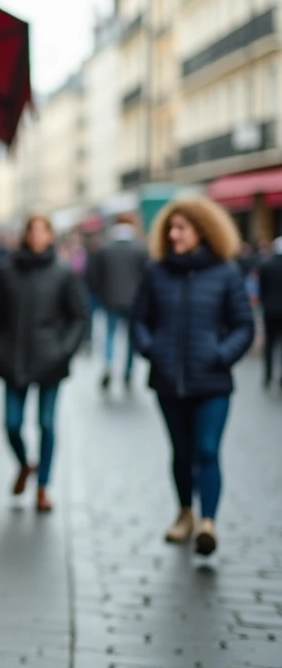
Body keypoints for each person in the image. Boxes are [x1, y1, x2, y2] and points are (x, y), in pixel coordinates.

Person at [132, 197, 254, 556]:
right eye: (170, 227)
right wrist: (151, 349)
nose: (173, 234)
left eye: (181, 227)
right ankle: (184, 512)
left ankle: (208, 523)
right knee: (181, 453)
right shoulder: (157, 272)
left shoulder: (226, 272)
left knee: (207, 449)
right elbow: (139, 320)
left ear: (202, 230)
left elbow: (243, 326)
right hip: (168, 381)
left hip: (213, 381)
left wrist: (222, 354)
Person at [0, 215, 88, 513]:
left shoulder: (64, 272)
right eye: (33, 230)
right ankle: (24, 464)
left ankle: (43, 486)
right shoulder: (6, 271)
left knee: (46, 424)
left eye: (44, 231)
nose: (38, 236)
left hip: (50, 361)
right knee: (12, 425)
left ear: (51, 236)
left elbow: (79, 317)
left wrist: (64, 350)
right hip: (12, 359)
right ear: (26, 235)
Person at [90, 213, 150, 392]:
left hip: (111, 299)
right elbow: (147, 277)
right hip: (134, 302)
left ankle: (109, 364)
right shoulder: (140, 249)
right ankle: (128, 373)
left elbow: (96, 276)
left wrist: (103, 294)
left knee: (109, 335)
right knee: (131, 340)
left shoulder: (105, 248)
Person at [259, 236, 282, 388]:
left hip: (269, 310)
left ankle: (268, 376)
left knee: (269, 345)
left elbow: (262, 288)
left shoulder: (266, 265)